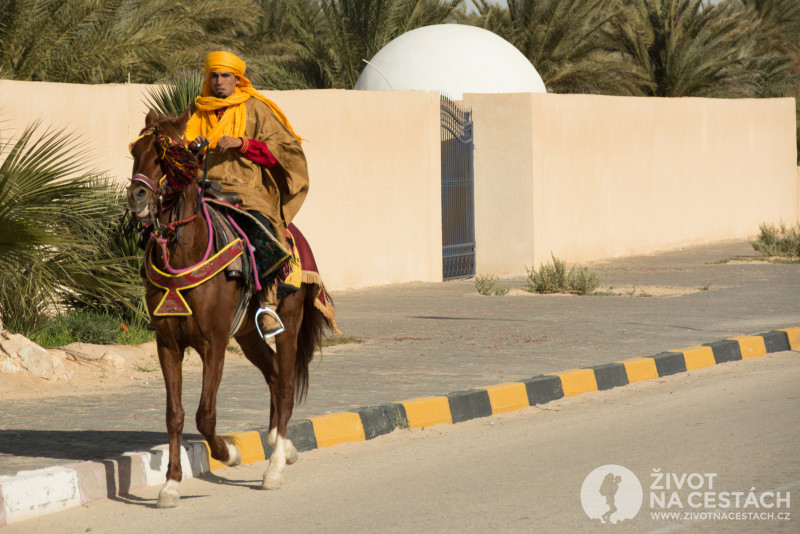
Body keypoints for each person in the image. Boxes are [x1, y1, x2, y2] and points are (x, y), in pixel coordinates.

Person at [185, 50, 309, 339]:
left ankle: (267, 305)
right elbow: (181, 146)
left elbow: (285, 152)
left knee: (262, 233)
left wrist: (243, 143)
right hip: (203, 189)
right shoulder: (197, 111)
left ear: (237, 79)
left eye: (225, 75)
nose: (218, 81)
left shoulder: (257, 109)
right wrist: (192, 149)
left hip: (247, 191)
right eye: (213, 76)